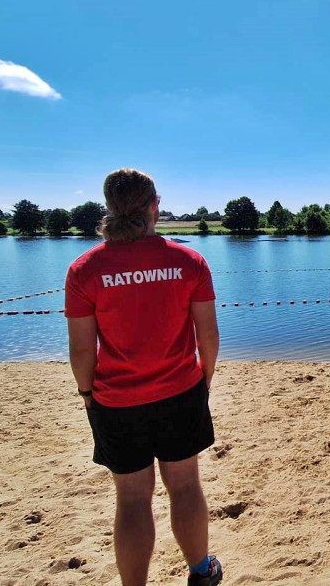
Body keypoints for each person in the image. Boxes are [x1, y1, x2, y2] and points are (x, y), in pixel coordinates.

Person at [65, 168, 223, 586]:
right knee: (185, 486)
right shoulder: (188, 261)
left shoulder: (85, 269)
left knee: (133, 499)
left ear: (109, 208)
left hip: (116, 402)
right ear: (156, 206)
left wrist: (87, 395)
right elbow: (208, 335)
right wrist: (203, 381)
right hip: (180, 392)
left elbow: (82, 351)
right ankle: (201, 572)